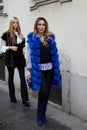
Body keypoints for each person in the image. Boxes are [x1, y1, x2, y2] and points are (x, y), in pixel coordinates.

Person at [26, 17, 62, 125]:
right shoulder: (32, 38)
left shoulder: (50, 38)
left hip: (50, 69)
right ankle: (39, 115)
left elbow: (55, 54)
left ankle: (43, 115)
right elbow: (28, 55)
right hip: (39, 70)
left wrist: (59, 67)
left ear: (45, 26)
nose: (41, 26)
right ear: (36, 26)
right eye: (39, 24)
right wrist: (28, 69)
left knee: (47, 94)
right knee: (44, 91)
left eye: (43, 24)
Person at [1, 17, 30, 107]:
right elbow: (1, 49)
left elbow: (24, 49)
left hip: (20, 59)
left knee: (22, 78)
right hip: (11, 58)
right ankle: (12, 98)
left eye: (17, 23)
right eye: (13, 22)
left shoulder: (21, 35)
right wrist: (10, 47)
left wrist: (26, 59)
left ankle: (25, 100)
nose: (15, 24)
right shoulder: (6, 34)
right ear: (11, 24)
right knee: (11, 78)